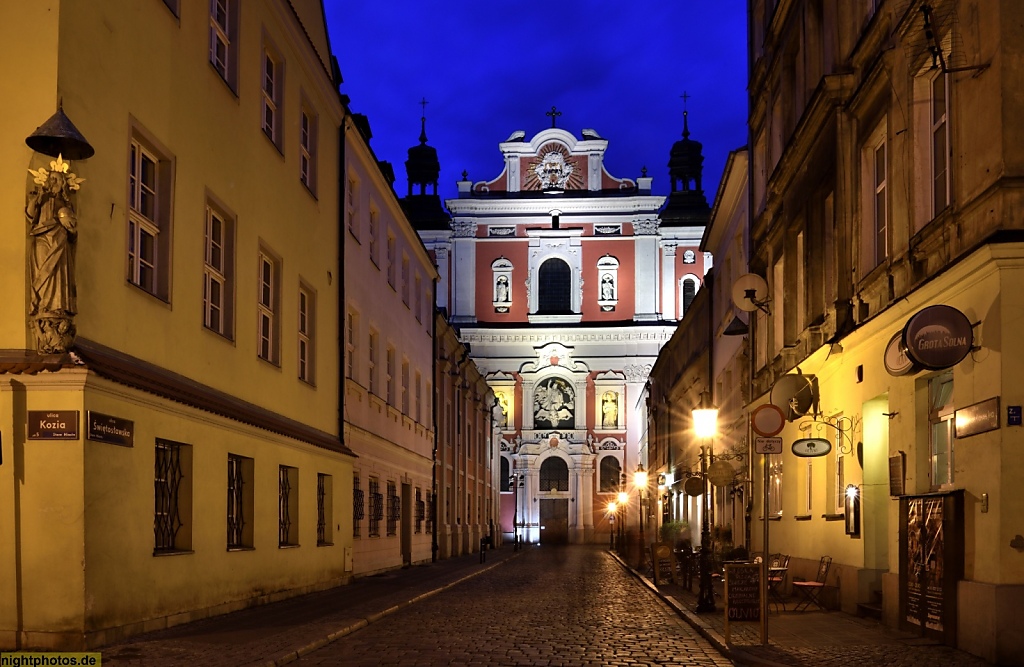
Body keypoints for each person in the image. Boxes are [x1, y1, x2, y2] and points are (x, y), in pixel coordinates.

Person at [26, 160, 80, 318]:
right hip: (42, 239)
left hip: (61, 240)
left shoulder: (67, 205)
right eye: (51, 179)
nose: (53, 182)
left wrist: (71, 230)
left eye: (56, 179)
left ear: (63, 183)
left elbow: (73, 232)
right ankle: (42, 305)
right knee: (44, 272)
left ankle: (58, 306)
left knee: (59, 274)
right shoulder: (41, 199)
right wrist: (36, 199)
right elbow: (30, 215)